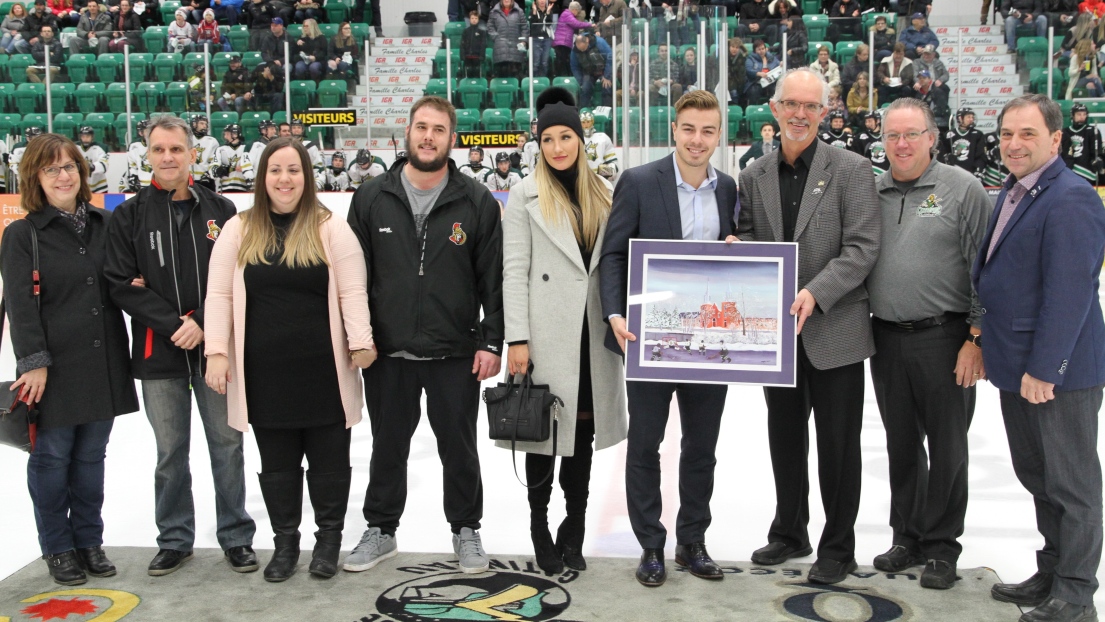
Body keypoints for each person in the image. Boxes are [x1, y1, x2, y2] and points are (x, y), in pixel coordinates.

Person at [344, 96, 503, 576]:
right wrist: (359, 337)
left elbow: (492, 279)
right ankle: (381, 530)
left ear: (452, 139)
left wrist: (490, 340)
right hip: (388, 351)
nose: (429, 136)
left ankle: (466, 529)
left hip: (454, 350)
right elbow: (352, 278)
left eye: (438, 129)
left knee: (459, 447)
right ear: (407, 133)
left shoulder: (475, 200)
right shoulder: (372, 196)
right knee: (387, 445)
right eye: (421, 127)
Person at [204, 136, 374, 582]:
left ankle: (328, 542)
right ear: (263, 177)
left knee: (329, 465)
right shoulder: (238, 229)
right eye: (276, 170)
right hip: (265, 376)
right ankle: (285, 544)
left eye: (294, 170)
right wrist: (217, 351)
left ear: (307, 177)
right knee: (278, 467)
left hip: (324, 372)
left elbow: (352, 290)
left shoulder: (330, 227)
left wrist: (361, 340)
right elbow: (219, 294)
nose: (285, 178)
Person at [738, 67, 880, 585]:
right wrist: (739, 252)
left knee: (838, 447)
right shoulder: (753, 174)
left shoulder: (852, 169)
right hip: (778, 338)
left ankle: (838, 547)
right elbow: (757, 243)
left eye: (810, 106)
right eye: (790, 104)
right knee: (784, 436)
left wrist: (815, 293)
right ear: (773, 109)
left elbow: (862, 248)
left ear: (825, 112)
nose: (799, 114)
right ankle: (789, 530)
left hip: (835, 332)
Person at [104, 115, 258, 578]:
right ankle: (174, 538)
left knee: (227, 445)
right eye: (159, 150)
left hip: (216, 350)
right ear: (146, 155)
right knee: (170, 452)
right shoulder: (128, 215)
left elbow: (236, 277)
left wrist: (203, 326)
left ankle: (236, 536)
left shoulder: (222, 211)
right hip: (159, 352)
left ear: (193, 153)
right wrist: (177, 323)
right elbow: (121, 283)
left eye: (176, 149)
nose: (168, 157)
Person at [599, 90, 739, 588]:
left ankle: (692, 543)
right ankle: (651, 546)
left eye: (707, 131)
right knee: (645, 445)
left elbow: (736, 260)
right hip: (651, 339)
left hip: (709, 346)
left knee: (702, 447)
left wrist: (738, 250)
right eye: (688, 129)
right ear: (674, 130)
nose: (697, 140)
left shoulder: (729, 189)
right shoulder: (638, 182)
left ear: (718, 135)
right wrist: (614, 312)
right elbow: (614, 255)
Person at [978, 94, 1105, 622]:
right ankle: (1051, 573)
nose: (1013, 143)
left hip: (1058, 374)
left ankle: (1075, 596)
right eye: (1007, 133)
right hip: (1017, 367)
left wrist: (1044, 369)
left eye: (1027, 134)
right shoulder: (1011, 192)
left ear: (1056, 139)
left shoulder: (1072, 197)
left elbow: (1071, 293)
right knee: (1038, 476)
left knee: (1072, 485)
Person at [0, 133, 138, 587]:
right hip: (52, 369)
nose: (63, 175)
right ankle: (58, 547)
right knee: (52, 459)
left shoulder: (105, 222)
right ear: (35, 178)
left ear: (83, 173)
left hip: (103, 362)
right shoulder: (23, 234)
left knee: (91, 458)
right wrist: (32, 362)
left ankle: (88, 541)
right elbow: (19, 303)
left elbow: (122, 283)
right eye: (51, 168)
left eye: (70, 167)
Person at [499, 86, 627, 575]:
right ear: (539, 142)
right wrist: (517, 338)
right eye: (548, 138)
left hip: (591, 337)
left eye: (566, 136)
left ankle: (573, 526)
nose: (558, 147)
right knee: (543, 438)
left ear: (580, 137)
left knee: (581, 438)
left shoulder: (605, 193)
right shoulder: (524, 194)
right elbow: (514, 270)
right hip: (546, 337)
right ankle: (539, 527)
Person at [868, 98, 992, 590]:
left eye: (911, 134)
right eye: (893, 135)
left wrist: (976, 337)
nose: (901, 144)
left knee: (947, 448)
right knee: (901, 444)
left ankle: (942, 548)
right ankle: (908, 536)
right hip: (886, 337)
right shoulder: (872, 190)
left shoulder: (962, 189)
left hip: (946, 338)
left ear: (932, 137)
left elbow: (987, 269)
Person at [940, 107, 988, 179]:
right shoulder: (949, 135)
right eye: (968, 117)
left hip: (971, 174)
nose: (971, 119)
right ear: (960, 118)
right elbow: (942, 155)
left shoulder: (977, 135)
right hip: (953, 174)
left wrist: (978, 169)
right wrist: (947, 159)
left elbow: (980, 156)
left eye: (972, 117)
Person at [1061, 102, 1103, 184]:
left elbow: (1097, 152)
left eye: (1084, 114)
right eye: (1079, 114)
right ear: (1072, 115)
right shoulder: (1064, 132)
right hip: (1069, 173)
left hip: (1087, 174)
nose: (1082, 117)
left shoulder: (1092, 131)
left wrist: (1098, 159)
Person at [570, 32, 612, 108]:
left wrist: (607, 76)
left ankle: (607, 110)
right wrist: (581, 81)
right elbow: (574, 67)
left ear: (587, 41)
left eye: (583, 49)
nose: (582, 51)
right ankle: (584, 111)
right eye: (580, 50)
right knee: (585, 89)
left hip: (603, 71)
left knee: (607, 87)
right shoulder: (575, 50)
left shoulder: (600, 43)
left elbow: (610, 59)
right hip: (588, 72)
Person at [489, 0, 527, 79]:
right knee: (501, 77)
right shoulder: (494, 12)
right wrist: (497, 38)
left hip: (516, 49)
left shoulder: (519, 11)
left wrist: (523, 41)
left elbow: (524, 28)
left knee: (515, 77)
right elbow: (490, 27)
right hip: (500, 50)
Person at [553, 1, 591, 79]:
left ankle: (564, 76)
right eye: (577, 11)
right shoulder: (567, 14)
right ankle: (560, 77)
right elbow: (577, 24)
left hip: (565, 41)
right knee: (562, 60)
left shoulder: (567, 14)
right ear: (574, 9)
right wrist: (590, 24)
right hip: (562, 41)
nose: (577, 13)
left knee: (565, 59)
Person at [213, 124, 253, 192]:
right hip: (224, 188)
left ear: (235, 134)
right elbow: (214, 168)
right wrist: (220, 169)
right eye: (225, 134)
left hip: (242, 187)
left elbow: (250, 167)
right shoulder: (220, 149)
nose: (225, 136)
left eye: (227, 134)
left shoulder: (245, 148)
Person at [581, 110, 617, 180]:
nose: (586, 125)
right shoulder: (576, 139)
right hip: (582, 180)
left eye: (588, 122)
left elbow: (613, 163)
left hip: (600, 181)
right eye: (583, 122)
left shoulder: (603, 138)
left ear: (592, 121)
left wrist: (602, 174)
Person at [189, 116, 221, 191]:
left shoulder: (212, 141)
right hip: (188, 180)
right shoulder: (187, 139)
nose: (204, 126)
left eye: (206, 124)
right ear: (194, 124)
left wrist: (208, 174)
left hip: (206, 180)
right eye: (201, 123)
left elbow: (215, 161)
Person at [118, 120, 151, 193]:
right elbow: (133, 166)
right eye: (147, 131)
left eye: (151, 130)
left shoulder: (160, 144)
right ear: (141, 133)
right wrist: (134, 176)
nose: (150, 133)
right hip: (142, 186)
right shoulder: (134, 146)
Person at [852, 110, 889, 175]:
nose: (867, 124)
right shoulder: (860, 138)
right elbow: (856, 158)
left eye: (870, 121)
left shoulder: (888, 136)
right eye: (866, 121)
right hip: (868, 174)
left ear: (878, 121)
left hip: (886, 173)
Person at [745, 38, 780, 105]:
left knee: (776, 89)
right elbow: (748, 70)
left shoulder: (771, 57)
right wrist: (758, 73)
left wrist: (781, 63)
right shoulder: (750, 58)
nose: (761, 51)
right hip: (756, 82)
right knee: (754, 91)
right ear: (755, 51)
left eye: (762, 49)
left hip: (770, 82)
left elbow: (777, 63)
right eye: (759, 49)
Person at [77, 126, 109, 194]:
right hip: (82, 186)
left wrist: (92, 166)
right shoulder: (75, 148)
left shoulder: (99, 148)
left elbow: (104, 164)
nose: (85, 139)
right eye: (83, 136)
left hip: (99, 186)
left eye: (88, 136)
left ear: (92, 137)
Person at [529, 0, 557, 78]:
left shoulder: (549, 11)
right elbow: (532, 25)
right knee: (536, 62)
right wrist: (534, 12)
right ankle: (534, 80)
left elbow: (548, 24)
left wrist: (548, 12)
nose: (542, 1)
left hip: (546, 38)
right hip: (535, 38)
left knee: (544, 62)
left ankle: (543, 79)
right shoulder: (532, 11)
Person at [462, 10, 488, 78]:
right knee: (468, 73)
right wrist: (462, 55)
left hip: (477, 57)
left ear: (478, 20)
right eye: (472, 18)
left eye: (476, 18)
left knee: (477, 72)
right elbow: (462, 44)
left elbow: (483, 45)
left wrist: (482, 56)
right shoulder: (465, 31)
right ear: (469, 19)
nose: (474, 20)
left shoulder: (482, 32)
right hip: (467, 57)